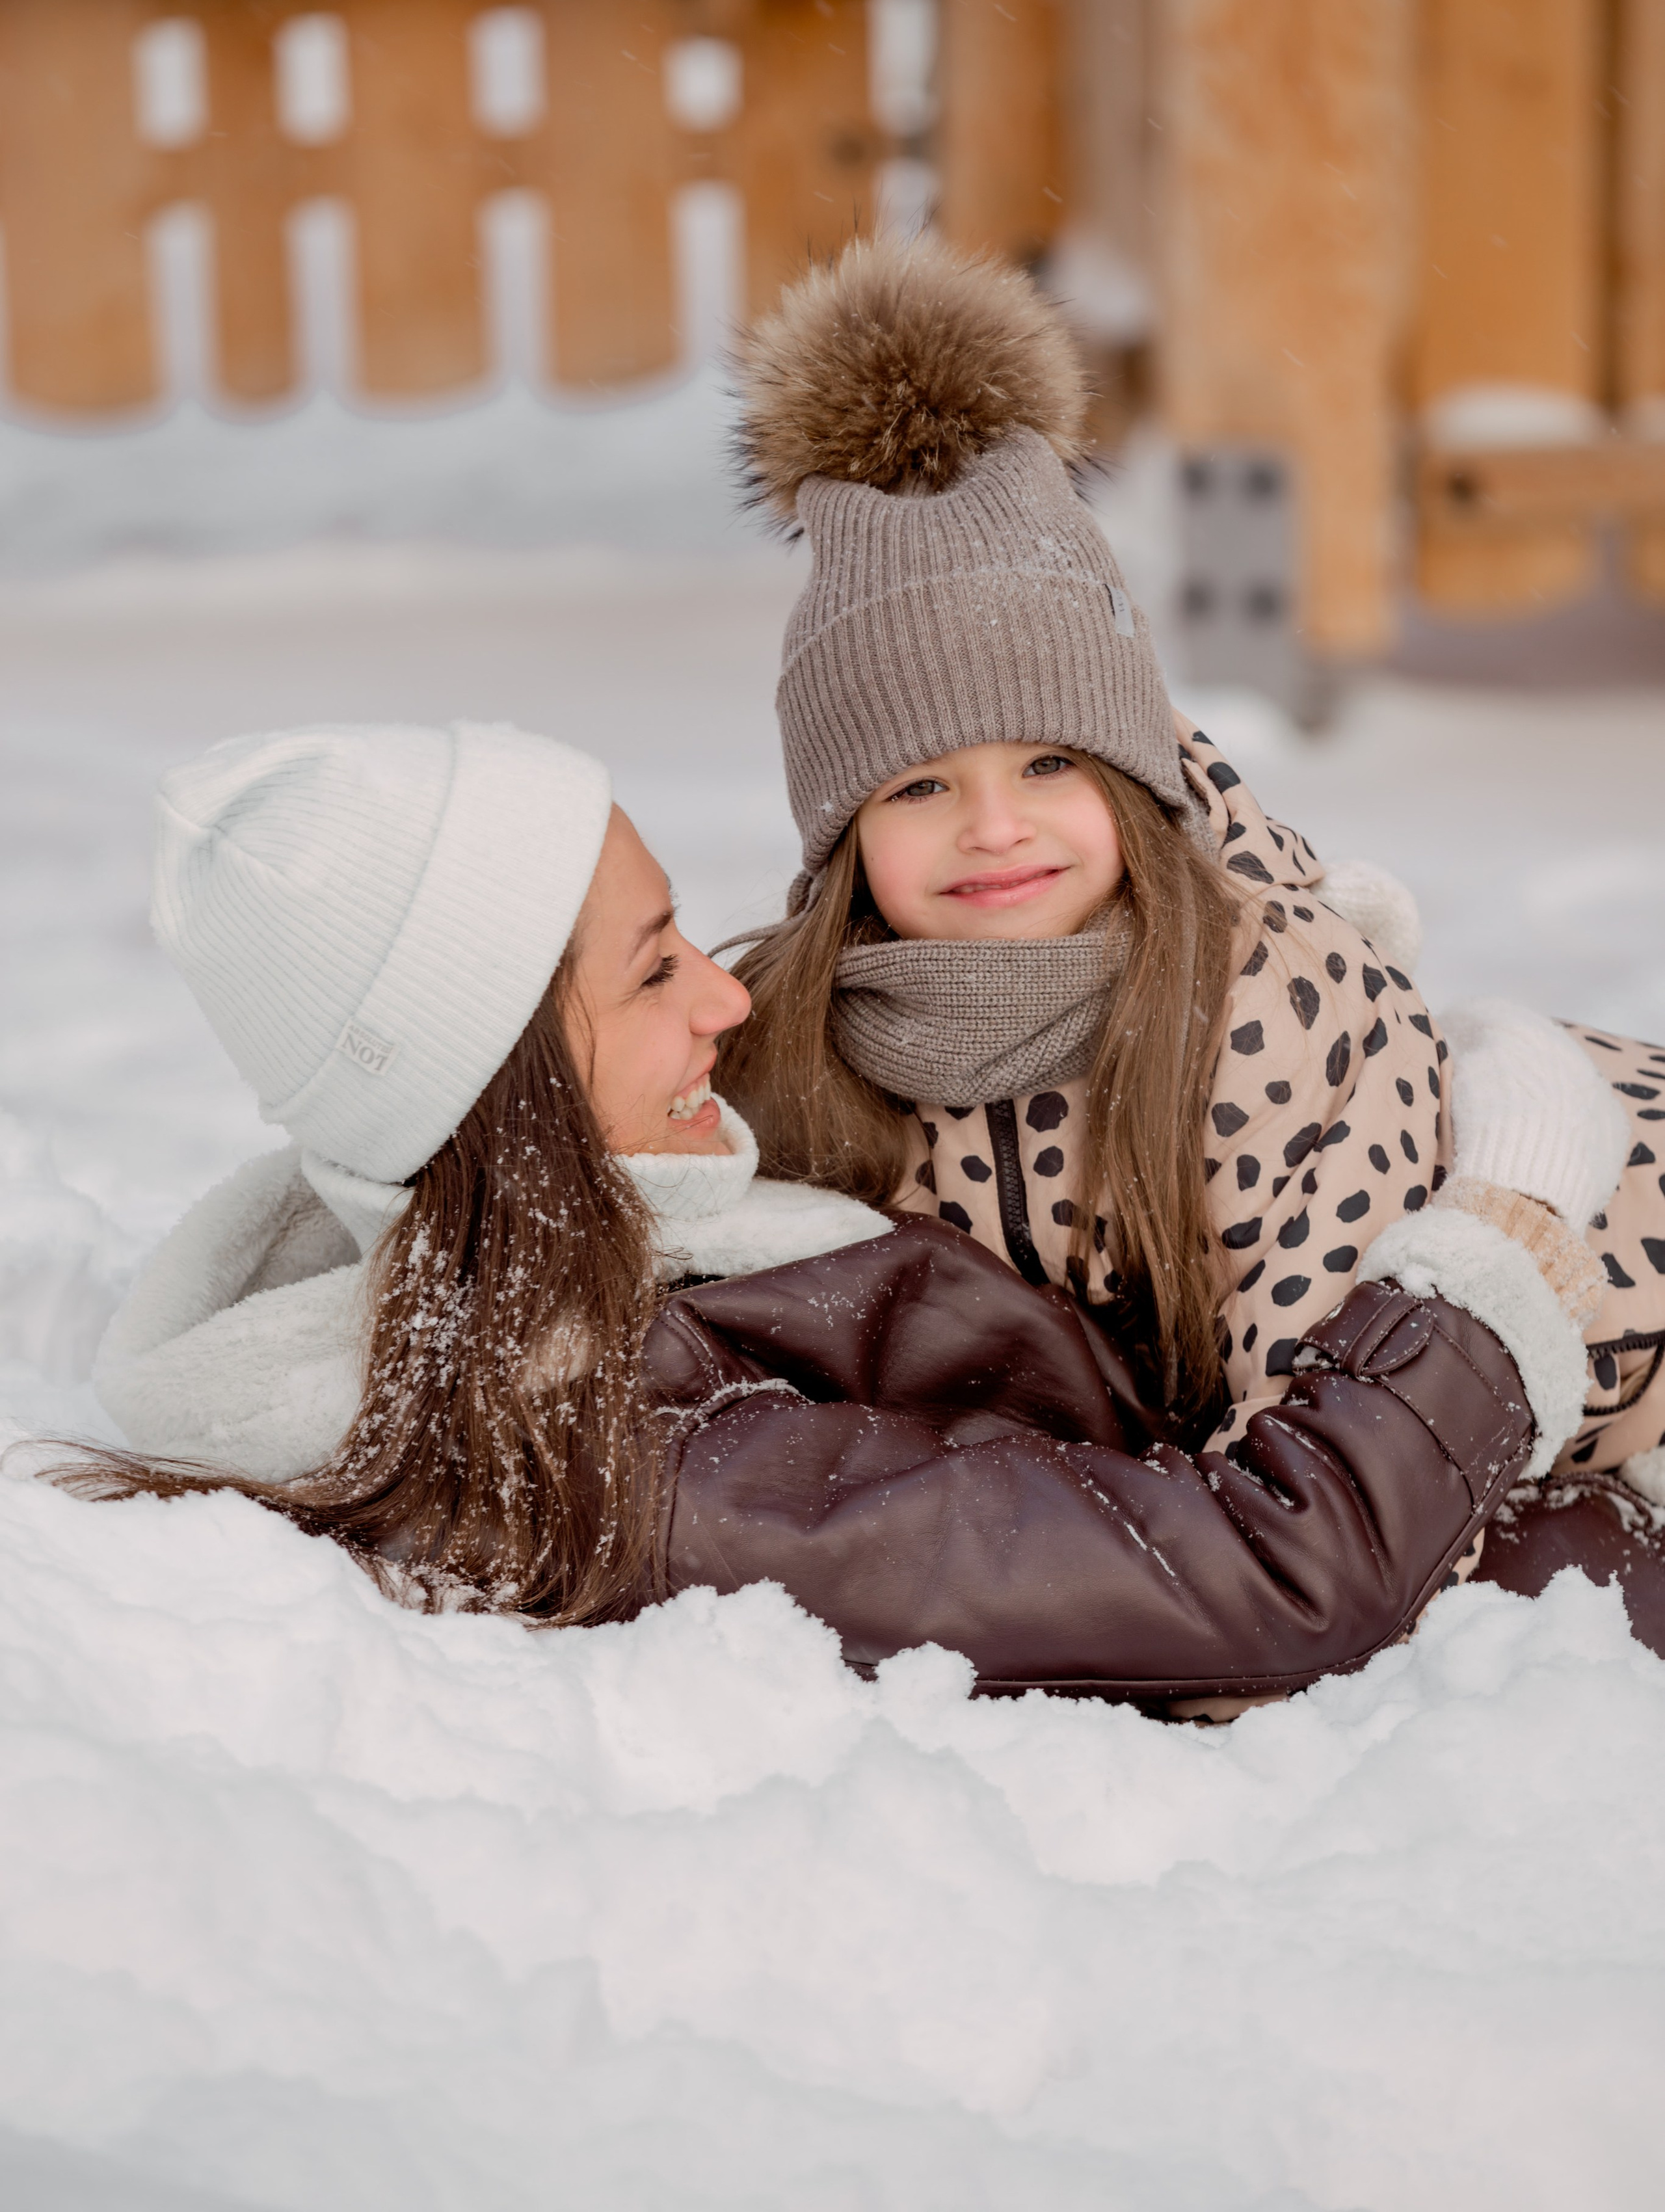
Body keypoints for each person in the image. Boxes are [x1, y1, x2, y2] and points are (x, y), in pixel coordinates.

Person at [51, 718, 1604, 1701]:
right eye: (655, 968)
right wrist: (1496, 1240)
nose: (725, 995)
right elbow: (1274, 1578)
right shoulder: (634, 1457)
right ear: (499, 1082)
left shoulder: (601, 1251)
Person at [715, 234, 1665, 1644]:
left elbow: (1333, 1483)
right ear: (838, 839)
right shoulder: (796, 1034)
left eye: (1051, 766)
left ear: (1132, 777)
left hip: (1579, 1285)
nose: (995, 828)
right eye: (919, 786)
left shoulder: (1261, 1010)